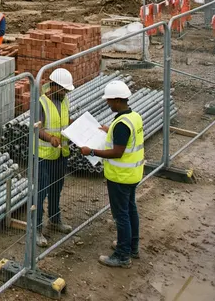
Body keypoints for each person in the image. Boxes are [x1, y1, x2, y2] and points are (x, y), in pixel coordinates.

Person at [81, 80, 144, 268]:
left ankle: (123, 255)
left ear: (118, 100)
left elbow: (117, 152)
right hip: (133, 174)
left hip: (120, 176)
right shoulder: (133, 117)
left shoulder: (122, 124)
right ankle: (132, 246)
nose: (108, 104)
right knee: (130, 209)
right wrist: (110, 131)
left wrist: (91, 151)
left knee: (121, 215)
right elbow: (127, 140)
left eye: (109, 101)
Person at [35, 68, 75, 246]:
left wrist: (76, 126)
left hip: (61, 153)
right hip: (44, 156)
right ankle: (36, 229)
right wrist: (49, 138)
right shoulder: (41, 103)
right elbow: (37, 128)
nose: (66, 93)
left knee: (56, 188)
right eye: (64, 89)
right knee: (41, 191)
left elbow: (64, 121)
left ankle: (55, 219)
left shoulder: (64, 100)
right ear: (54, 86)